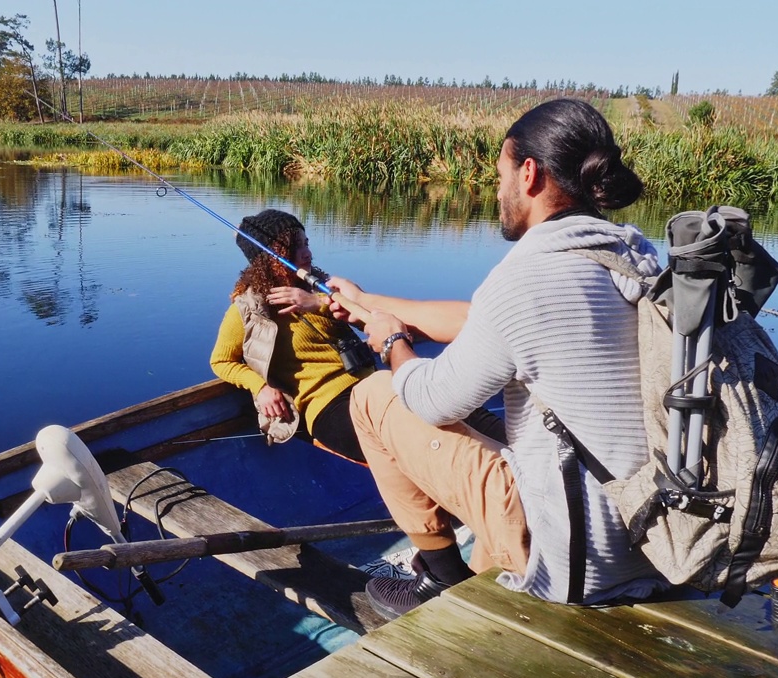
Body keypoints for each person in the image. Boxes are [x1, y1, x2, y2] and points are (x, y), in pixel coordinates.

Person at [328, 98, 668, 619]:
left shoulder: (526, 277)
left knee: (375, 396)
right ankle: (488, 552)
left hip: (580, 559)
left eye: (500, 174)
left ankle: (443, 580)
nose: (497, 191)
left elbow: (430, 400)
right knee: (497, 417)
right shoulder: (635, 256)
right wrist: (371, 303)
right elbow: (480, 325)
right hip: (657, 535)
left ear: (529, 174)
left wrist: (394, 342)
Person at [209, 209, 372, 463]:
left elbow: (372, 321)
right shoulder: (250, 308)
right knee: (398, 441)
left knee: (441, 414)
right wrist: (260, 387)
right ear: (271, 257)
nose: (307, 253)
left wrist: (319, 301)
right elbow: (220, 361)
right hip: (327, 404)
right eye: (294, 247)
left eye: (306, 243)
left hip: (368, 384)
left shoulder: (322, 286)